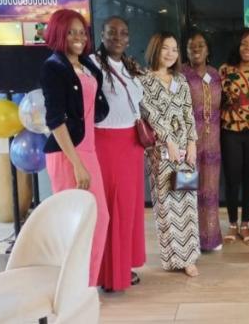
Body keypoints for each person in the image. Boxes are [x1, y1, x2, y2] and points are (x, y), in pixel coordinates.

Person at [40, 9, 110, 286]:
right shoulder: (53, 67)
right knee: (75, 222)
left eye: (82, 31)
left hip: (88, 149)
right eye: (71, 31)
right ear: (59, 33)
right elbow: (55, 121)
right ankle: (72, 287)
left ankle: (84, 285)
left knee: (97, 218)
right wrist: (77, 164)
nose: (78, 37)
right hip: (69, 153)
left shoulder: (86, 65)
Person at [90, 16, 146, 291]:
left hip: (132, 144)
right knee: (112, 208)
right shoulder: (92, 65)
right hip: (107, 144)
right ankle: (109, 276)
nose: (117, 37)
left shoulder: (129, 65)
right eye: (111, 32)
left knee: (129, 209)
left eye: (123, 33)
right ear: (101, 35)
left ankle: (123, 266)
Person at [140, 32, 200, 277]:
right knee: (166, 204)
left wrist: (192, 143)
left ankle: (189, 258)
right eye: (165, 48)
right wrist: (168, 141)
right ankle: (171, 257)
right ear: (155, 49)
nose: (170, 53)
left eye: (175, 49)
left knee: (186, 202)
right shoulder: (143, 80)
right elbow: (148, 113)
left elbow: (188, 113)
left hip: (185, 153)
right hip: (160, 153)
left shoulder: (181, 80)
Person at [219, 28, 249, 245]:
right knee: (231, 178)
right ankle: (231, 223)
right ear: (237, 46)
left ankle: (245, 224)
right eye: (244, 43)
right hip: (230, 129)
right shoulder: (224, 71)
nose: (248, 48)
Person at [180, 30, 223, 251]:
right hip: (186, 144)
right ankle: (187, 241)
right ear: (186, 51)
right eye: (191, 45)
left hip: (212, 143)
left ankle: (210, 238)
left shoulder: (216, 75)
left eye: (200, 45)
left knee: (210, 190)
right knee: (186, 191)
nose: (196, 48)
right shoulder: (180, 74)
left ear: (208, 50)